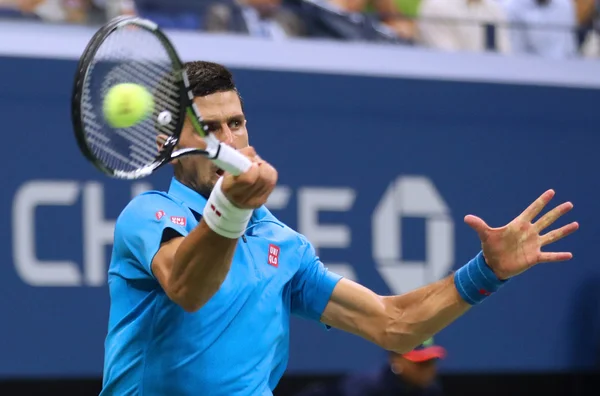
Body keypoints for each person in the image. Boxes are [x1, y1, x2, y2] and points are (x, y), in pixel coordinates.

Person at [100, 60, 579, 396]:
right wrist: (229, 206)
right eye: (210, 128)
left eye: (237, 123)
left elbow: (392, 325)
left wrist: (487, 272)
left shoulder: (284, 247)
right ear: (168, 143)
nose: (229, 139)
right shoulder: (148, 216)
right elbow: (187, 286)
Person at [297, 338, 447, 395]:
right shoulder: (366, 388)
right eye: (421, 364)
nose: (430, 370)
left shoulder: (431, 390)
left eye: (432, 362)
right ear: (396, 360)